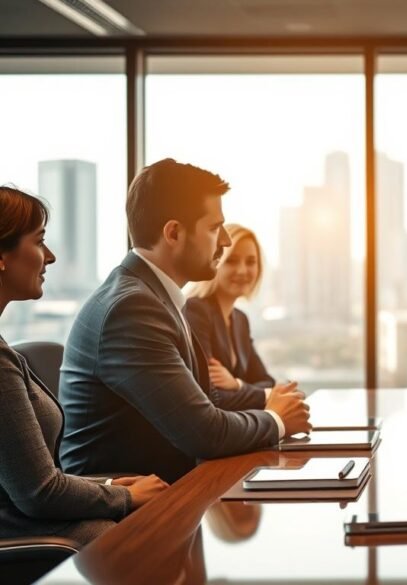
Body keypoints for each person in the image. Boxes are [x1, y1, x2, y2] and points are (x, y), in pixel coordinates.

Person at [60, 159, 311, 483]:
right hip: (127, 514)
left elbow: (208, 411)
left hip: (171, 490)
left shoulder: (154, 299)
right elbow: (204, 431)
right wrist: (275, 419)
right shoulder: (132, 308)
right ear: (174, 233)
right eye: (213, 228)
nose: (223, 240)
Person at [0, 186, 167, 546]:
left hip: (27, 520)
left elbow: (32, 480)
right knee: (149, 532)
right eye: (39, 241)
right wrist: (124, 497)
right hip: (25, 539)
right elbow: (38, 493)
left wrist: (106, 487)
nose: (51, 256)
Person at [185, 224, 281, 411]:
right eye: (232, 261)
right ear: (216, 262)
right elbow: (210, 395)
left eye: (251, 262)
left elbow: (267, 382)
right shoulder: (196, 310)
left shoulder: (240, 320)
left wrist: (237, 385)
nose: (242, 271)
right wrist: (266, 396)